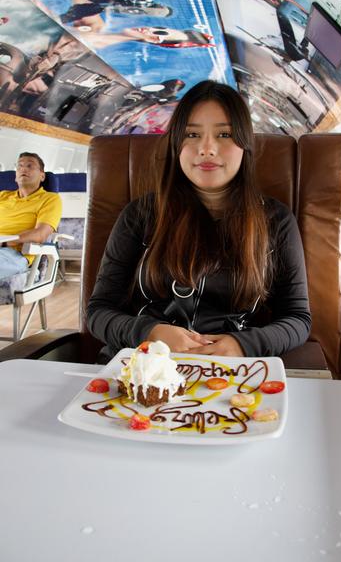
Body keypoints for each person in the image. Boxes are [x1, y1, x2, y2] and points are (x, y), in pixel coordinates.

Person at [87, 80, 311, 361]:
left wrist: (244, 345)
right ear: (176, 145)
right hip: (142, 364)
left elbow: (297, 318)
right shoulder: (140, 215)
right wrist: (149, 332)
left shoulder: (276, 220)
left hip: (231, 370)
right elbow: (98, 311)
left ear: (245, 145)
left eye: (225, 134)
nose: (207, 149)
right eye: (192, 134)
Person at [0, 152, 62, 280]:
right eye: (20, 166)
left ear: (42, 176)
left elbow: (40, 234)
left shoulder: (50, 199)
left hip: (16, 254)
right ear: (15, 176)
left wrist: (4, 242)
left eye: (30, 166)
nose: (23, 169)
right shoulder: (3, 196)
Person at [79, 26, 215, 50]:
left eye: (160, 34)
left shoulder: (97, 44)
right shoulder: (99, 28)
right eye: (159, 27)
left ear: (153, 41)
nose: (149, 29)